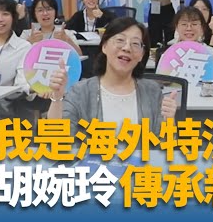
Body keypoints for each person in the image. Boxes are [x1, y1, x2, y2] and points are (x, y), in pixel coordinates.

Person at [47, 17, 177, 135]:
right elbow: (57, 137)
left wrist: (169, 122)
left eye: (135, 44)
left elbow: (164, 145)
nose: (127, 48)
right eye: (120, 40)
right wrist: (57, 98)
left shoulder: (152, 91)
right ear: (104, 46)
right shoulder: (81, 91)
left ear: (142, 55)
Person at [0, 0, 40, 120]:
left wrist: (35, 88)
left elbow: (21, 83)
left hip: (5, 110)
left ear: (13, 17)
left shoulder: (23, 47)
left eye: (5, 14)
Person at [157, 6, 213, 84]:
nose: (189, 28)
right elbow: (158, 86)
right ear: (177, 28)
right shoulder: (167, 56)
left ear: (202, 28)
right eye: (184, 24)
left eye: (194, 24)